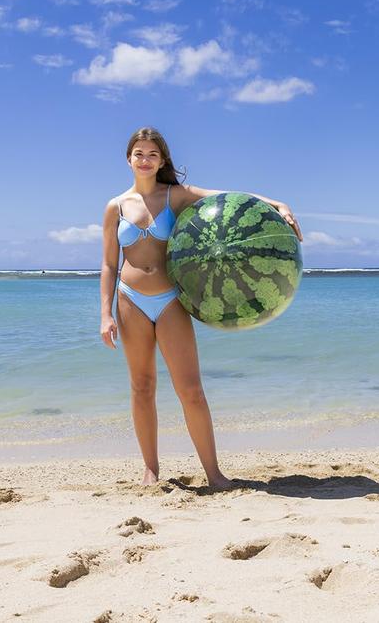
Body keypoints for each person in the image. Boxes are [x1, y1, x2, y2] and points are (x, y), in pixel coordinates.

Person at [99, 127, 303, 490]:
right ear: (128, 159)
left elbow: (227, 197)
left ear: (162, 160)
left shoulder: (175, 196)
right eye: (139, 154)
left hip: (170, 300)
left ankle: (214, 474)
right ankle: (150, 470)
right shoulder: (116, 206)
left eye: (152, 154)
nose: (145, 160)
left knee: (191, 390)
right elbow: (109, 264)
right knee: (142, 387)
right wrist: (105, 314)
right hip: (130, 299)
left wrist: (276, 204)